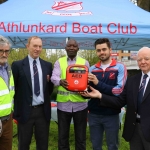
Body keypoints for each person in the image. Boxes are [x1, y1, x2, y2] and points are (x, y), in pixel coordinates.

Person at [81, 47, 150, 150]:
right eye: (140, 59)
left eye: (146, 58)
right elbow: (119, 101)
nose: (142, 62)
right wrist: (100, 96)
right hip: (134, 128)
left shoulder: (120, 68)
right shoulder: (132, 81)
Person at [12, 36, 54, 150]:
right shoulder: (17, 65)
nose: (38, 49)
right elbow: (14, 89)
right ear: (27, 46)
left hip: (42, 112)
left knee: (42, 145)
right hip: (25, 111)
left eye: (40, 46)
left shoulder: (48, 66)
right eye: (35, 46)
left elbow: (49, 88)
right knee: (24, 145)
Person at [87, 38, 127, 150]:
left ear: (110, 50)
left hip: (112, 114)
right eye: (98, 50)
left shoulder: (120, 67)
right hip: (94, 114)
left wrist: (97, 83)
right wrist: (83, 92)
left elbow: (118, 91)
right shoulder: (92, 69)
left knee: (112, 146)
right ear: (96, 51)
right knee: (96, 146)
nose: (102, 52)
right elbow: (90, 90)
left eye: (104, 49)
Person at [51, 39, 90, 150]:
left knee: (81, 138)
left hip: (80, 105)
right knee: (62, 138)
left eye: (74, 46)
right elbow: (54, 77)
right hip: (63, 106)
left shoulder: (85, 62)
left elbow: (88, 80)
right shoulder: (59, 62)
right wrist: (60, 81)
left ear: (78, 48)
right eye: (69, 46)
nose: (71, 48)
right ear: (65, 48)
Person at [0, 36, 14, 150]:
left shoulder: (8, 69)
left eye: (6, 51)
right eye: (1, 51)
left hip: (8, 118)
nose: (4, 54)